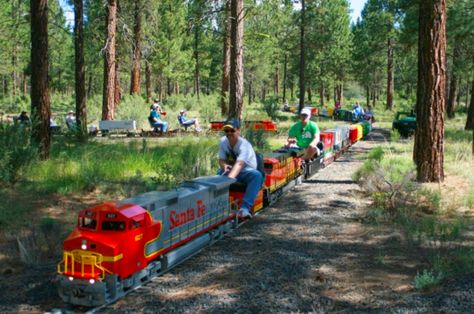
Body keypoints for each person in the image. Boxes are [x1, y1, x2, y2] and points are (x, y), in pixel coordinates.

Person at [218, 118, 263, 219]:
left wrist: (227, 182)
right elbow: (221, 160)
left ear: (238, 131)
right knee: (219, 173)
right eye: (226, 131)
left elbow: (239, 164)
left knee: (257, 176)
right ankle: (217, 205)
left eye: (232, 130)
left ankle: (244, 209)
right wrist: (224, 166)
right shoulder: (223, 142)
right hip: (233, 171)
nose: (229, 133)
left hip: (246, 172)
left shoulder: (244, 145)